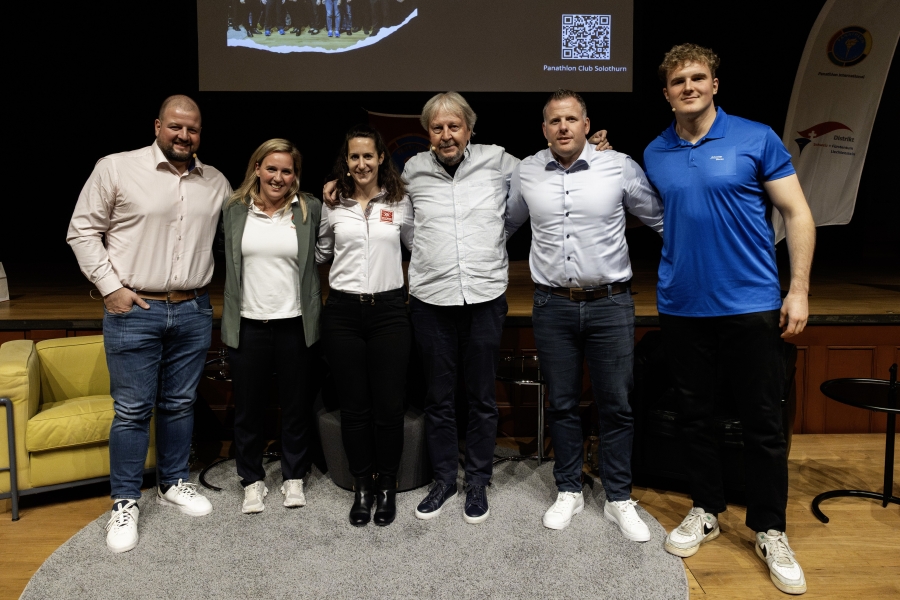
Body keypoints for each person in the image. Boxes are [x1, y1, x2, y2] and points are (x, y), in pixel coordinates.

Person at [322, 93, 609, 525]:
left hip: (484, 297)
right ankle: (442, 480)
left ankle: (476, 481)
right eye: (437, 128)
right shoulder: (412, 170)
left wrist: (593, 149)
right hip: (431, 300)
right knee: (438, 399)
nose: (446, 135)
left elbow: (549, 163)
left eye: (454, 126)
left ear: (469, 129)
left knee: (481, 398)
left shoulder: (500, 161)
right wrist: (336, 185)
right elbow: (375, 192)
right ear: (428, 133)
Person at [643, 44, 815, 595]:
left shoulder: (755, 138)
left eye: (698, 78)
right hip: (681, 305)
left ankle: (769, 528)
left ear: (715, 84)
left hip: (750, 303)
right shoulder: (655, 151)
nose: (688, 87)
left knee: (763, 422)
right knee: (695, 417)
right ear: (666, 92)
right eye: (678, 81)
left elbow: (797, 212)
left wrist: (799, 290)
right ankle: (706, 509)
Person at [67, 95, 231, 553]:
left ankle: (173, 481)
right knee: (133, 410)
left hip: (193, 309)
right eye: (176, 126)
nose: (184, 135)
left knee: (179, 403)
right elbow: (82, 230)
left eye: (192, 129)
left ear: (200, 133)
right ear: (158, 126)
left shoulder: (215, 181)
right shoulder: (117, 168)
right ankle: (125, 500)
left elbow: (255, 212)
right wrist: (110, 288)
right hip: (135, 309)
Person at [505, 89, 664, 540]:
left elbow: (660, 218)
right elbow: (505, 223)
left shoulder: (618, 166)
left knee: (616, 405)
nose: (563, 127)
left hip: (610, 305)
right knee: (561, 403)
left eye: (571, 119)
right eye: (555, 121)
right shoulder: (527, 171)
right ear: (544, 129)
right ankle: (569, 489)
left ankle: (618, 497)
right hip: (552, 305)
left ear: (587, 124)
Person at [316, 125, 414, 526]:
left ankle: (386, 485)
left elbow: (416, 247)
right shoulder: (333, 202)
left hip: (389, 312)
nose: (361, 164)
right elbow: (322, 251)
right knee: (354, 408)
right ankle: (362, 487)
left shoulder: (400, 201)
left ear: (380, 158)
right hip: (343, 313)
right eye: (354, 156)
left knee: (389, 407)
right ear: (346, 160)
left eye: (368, 156)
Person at [220, 139, 322, 515]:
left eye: (287, 171)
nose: (278, 177)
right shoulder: (234, 209)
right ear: (257, 168)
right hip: (249, 324)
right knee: (249, 409)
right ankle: (252, 479)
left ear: (295, 175)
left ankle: (294, 475)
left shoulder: (309, 209)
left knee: (296, 407)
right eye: (272, 168)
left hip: (295, 323)